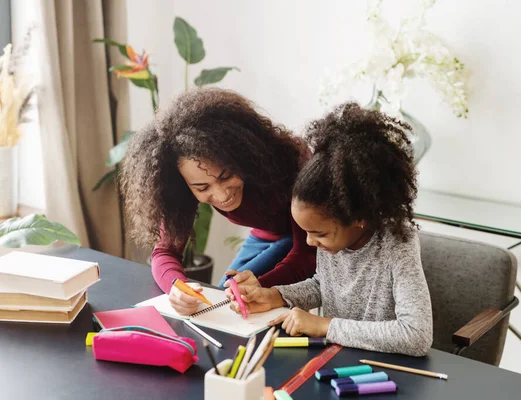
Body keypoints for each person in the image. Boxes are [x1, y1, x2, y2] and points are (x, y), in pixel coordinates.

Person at [227, 103, 433, 355]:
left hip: (386, 368)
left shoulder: (396, 243)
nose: (310, 242)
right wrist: (276, 296)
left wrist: (324, 325)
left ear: (359, 217)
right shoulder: (332, 239)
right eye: (306, 232)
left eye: (319, 234)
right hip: (335, 357)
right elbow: (323, 285)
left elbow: (416, 335)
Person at [120, 87, 316, 315]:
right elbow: (164, 252)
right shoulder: (180, 183)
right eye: (202, 188)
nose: (223, 196)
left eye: (226, 177)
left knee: (243, 300)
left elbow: (307, 254)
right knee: (224, 293)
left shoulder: (290, 165)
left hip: (307, 239)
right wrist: (176, 286)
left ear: (242, 157)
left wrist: (261, 286)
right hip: (264, 236)